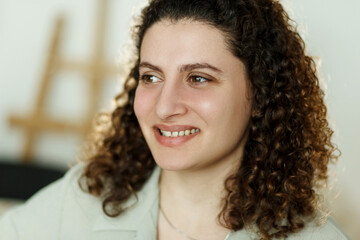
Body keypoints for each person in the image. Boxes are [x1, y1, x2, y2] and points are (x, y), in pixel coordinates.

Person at [0, 0, 350, 239]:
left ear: (259, 93)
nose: (165, 107)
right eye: (151, 77)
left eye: (198, 78)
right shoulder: (81, 199)